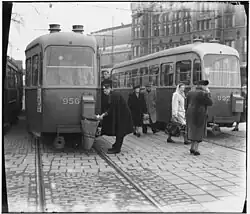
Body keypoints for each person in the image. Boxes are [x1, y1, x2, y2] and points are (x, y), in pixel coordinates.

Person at [98, 83, 134, 154]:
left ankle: (117, 149)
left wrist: (103, 115)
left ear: (109, 88)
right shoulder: (112, 94)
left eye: (105, 90)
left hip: (123, 116)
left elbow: (112, 108)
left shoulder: (114, 95)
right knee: (119, 131)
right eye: (103, 90)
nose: (104, 92)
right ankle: (116, 145)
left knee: (120, 132)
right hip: (121, 115)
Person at [185, 80, 213, 156]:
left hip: (190, 113)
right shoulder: (203, 93)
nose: (206, 87)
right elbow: (210, 102)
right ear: (203, 86)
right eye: (206, 86)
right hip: (200, 114)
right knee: (199, 131)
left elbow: (186, 104)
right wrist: (208, 93)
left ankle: (191, 148)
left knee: (192, 130)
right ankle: (196, 150)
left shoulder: (190, 92)